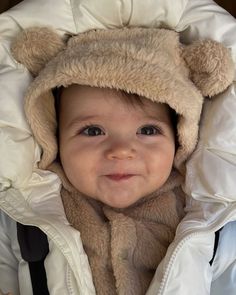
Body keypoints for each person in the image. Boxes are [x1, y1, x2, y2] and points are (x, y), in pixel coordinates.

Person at [0, 1, 236, 295]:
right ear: (53, 139)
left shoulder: (212, 221)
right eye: (93, 130)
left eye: (148, 130)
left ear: (180, 140)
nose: (122, 150)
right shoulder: (22, 212)